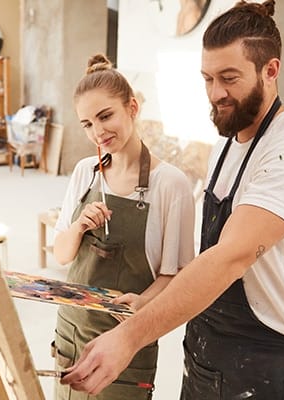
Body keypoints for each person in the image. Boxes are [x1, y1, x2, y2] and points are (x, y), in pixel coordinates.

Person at [60, 2, 284, 399]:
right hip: (206, 348)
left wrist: (128, 337)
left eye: (229, 78)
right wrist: (147, 304)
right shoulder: (225, 147)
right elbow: (200, 260)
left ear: (271, 70)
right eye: (207, 78)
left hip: (260, 361)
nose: (216, 94)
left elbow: (230, 257)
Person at [52, 53, 195, 400]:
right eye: (87, 124)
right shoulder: (86, 172)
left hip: (124, 342)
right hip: (72, 329)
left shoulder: (170, 185)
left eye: (105, 116)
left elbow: (178, 276)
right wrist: (79, 228)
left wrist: (143, 304)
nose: (98, 132)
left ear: (132, 107)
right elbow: (60, 254)